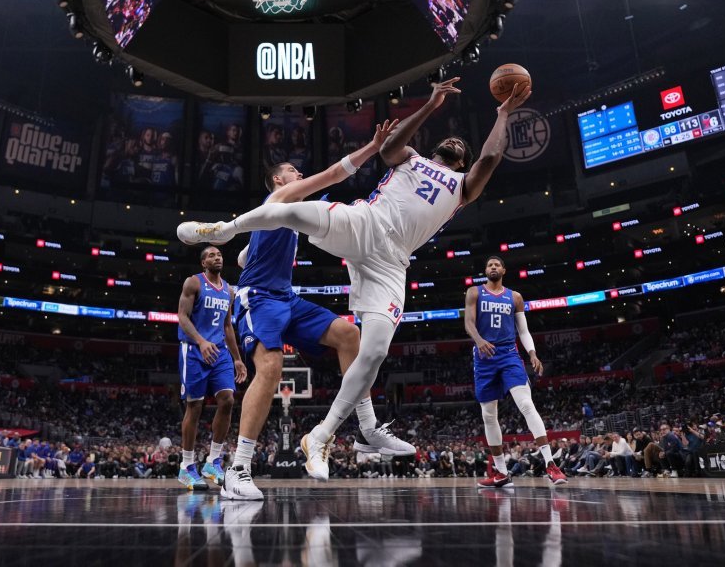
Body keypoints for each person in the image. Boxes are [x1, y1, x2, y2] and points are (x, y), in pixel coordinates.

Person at [178, 77, 531, 482]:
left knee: (372, 347)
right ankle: (224, 230)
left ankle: (330, 434)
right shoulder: (412, 158)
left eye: (462, 150)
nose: (456, 146)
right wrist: (430, 105)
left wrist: (503, 114)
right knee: (290, 211)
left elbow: (490, 158)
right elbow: (387, 147)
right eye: (449, 143)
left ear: (463, 164)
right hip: (366, 222)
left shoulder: (464, 186)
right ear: (435, 150)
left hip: (391, 264)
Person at [196, 120, 413, 500]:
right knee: (271, 367)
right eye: (292, 172)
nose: (299, 174)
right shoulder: (279, 199)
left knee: (350, 335)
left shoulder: (286, 216)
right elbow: (333, 174)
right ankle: (239, 468)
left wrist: (249, 253)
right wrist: (372, 147)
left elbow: (250, 253)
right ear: (280, 182)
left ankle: (366, 426)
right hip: (259, 298)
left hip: (286, 297)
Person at [465, 256, 567, 487]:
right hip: (484, 357)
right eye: (489, 264)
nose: (492, 267)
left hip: (509, 354)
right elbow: (469, 323)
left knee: (526, 404)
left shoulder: (515, 297)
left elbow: (523, 330)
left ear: (503, 270)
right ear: (485, 270)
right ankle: (501, 472)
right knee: (488, 415)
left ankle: (551, 465)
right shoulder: (474, 292)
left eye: (496, 264)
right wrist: (479, 340)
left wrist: (532, 353)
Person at [177, 246, 248, 490]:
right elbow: (182, 316)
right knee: (195, 406)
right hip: (194, 350)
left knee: (228, 400)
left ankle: (212, 462)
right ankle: (186, 466)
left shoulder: (228, 290)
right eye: (210, 255)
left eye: (218, 254)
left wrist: (237, 358)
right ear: (203, 263)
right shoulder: (193, 283)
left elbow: (228, 326)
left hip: (219, 352)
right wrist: (201, 341)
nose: (216, 257)